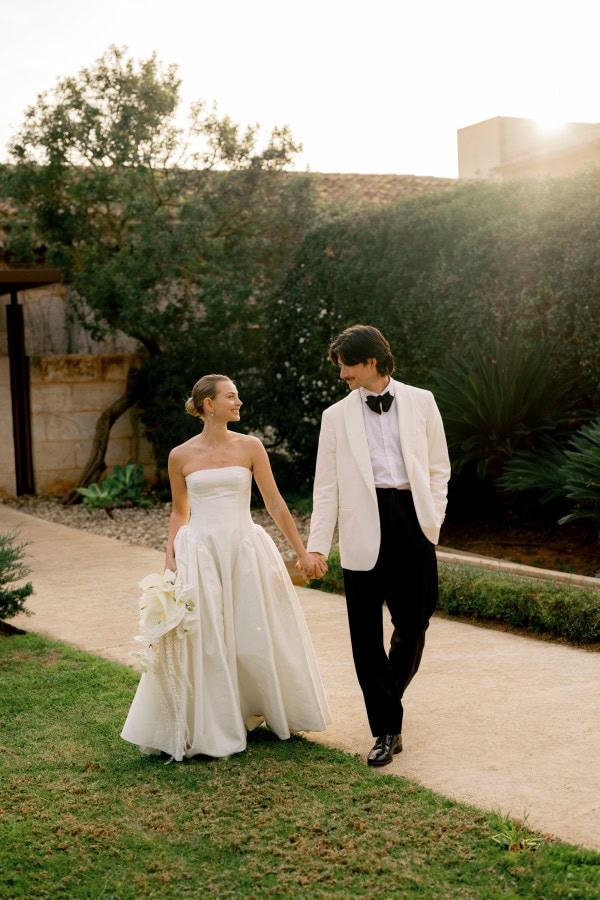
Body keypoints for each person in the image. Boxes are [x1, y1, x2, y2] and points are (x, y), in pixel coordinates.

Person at [121, 374, 331, 761]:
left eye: (237, 397)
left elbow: (275, 503)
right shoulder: (179, 456)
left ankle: (260, 705)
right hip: (200, 551)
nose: (238, 402)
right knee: (207, 636)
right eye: (231, 397)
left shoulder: (250, 446)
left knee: (254, 632)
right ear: (207, 405)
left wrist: (301, 553)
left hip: (245, 550)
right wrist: (170, 558)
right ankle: (214, 722)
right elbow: (179, 510)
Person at [306, 325, 450, 767]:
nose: (342, 374)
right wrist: (316, 547)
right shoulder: (335, 417)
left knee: (415, 621)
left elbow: (439, 468)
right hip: (361, 528)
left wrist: (433, 519)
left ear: (371, 362)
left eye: (347, 365)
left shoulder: (422, 401)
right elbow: (325, 488)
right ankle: (386, 729)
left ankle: (387, 698)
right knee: (364, 636)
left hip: (412, 521)